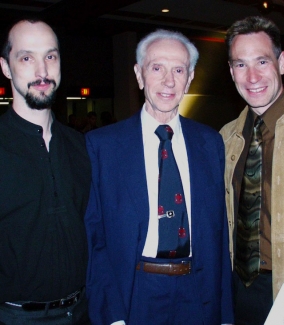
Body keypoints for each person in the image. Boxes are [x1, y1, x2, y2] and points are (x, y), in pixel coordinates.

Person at [85, 29, 234, 325]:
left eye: (178, 70)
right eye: (157, 68)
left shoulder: (210, 143)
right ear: (139, 75)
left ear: (189, 78)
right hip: (136, 294)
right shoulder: (102, 146)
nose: (169, 81)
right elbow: (95, 238)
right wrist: (112, 315)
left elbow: (219, 234)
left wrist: (225, 313)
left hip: (199, 295)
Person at [220, 15, 284, 325]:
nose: (252, 76)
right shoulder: (225, 139)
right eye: (241, 64)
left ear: (281, 62)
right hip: (240, 293)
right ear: (231, 71)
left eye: (262, 62)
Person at [0, 19, 91, 324]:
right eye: (27, 58)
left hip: (80, 312)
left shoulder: (81, 147)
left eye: (50, 57)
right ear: (5, 67)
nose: (42, 71)